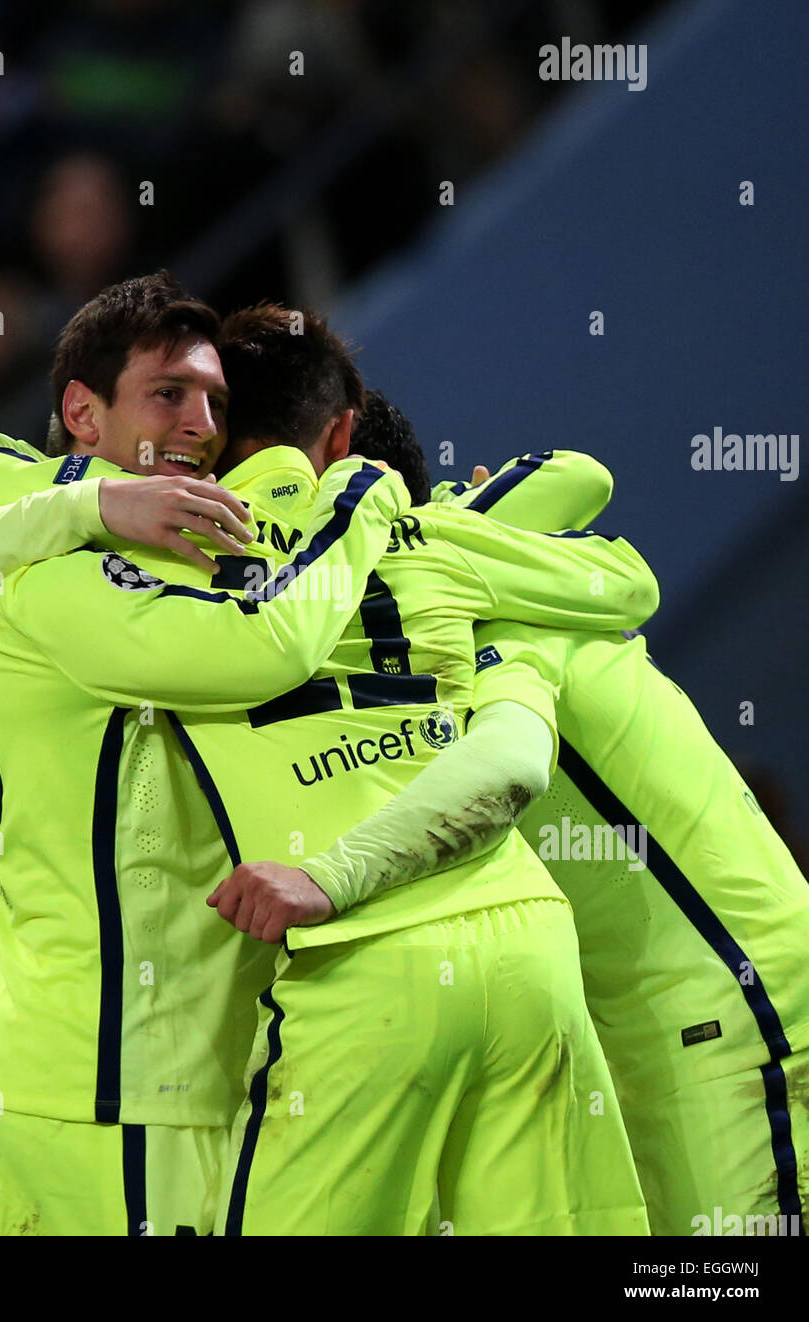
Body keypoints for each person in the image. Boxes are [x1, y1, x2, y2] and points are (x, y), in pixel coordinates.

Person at [0, 301, 657, 1235]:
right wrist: (368, 508)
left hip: (107, 1042)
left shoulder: (167, 553)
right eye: (168, 395)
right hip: (92, 1070)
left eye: (213, 401)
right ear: (85, 417)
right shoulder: (61, 566)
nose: (197, 426)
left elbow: (26, 758)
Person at [347, 392, 809, 1237]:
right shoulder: (478, 569)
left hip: (736, 1016)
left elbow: (580, 482)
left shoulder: (478, 617)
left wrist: (323, 880)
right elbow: (573, 483)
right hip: (668, 1039)